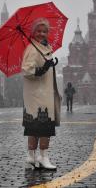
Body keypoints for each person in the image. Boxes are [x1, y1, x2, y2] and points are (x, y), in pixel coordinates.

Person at [22, 18, 61, 170]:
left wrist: (49, 64)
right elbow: (27, 70)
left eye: (44, 31)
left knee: (35, 126)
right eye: (38, 31)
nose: (41, 33)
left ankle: (32, 157)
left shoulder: (45, 48)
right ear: (33, 32)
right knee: (43, 127)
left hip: (43, 92)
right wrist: (43, 68)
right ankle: (42, 157)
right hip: (38, 95)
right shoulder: (32, 49)